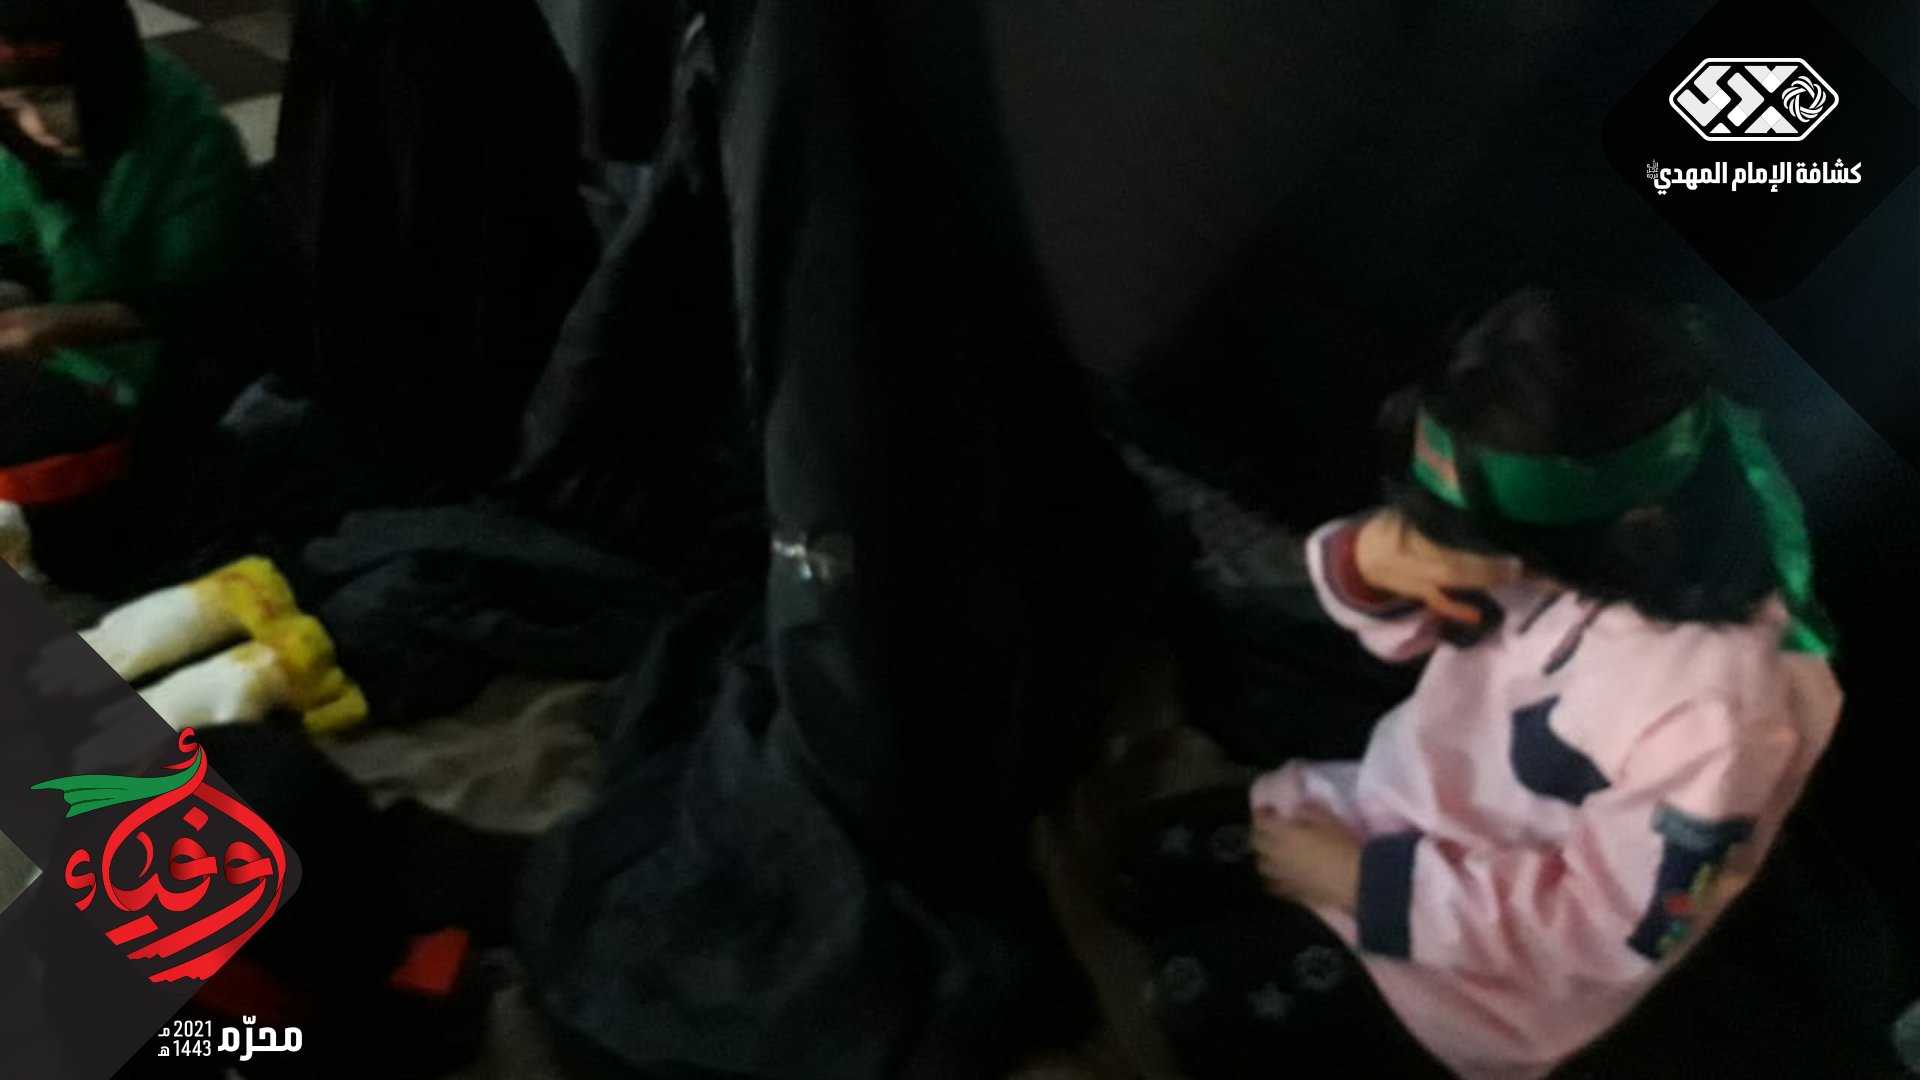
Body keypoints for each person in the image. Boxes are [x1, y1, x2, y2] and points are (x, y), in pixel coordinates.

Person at [1117, 287, 1842, 1078]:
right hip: (1377, 810)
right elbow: (1431, 615)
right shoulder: (1562, 535)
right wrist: (1370, 567)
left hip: (1463, 982)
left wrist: (1367, 886)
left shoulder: (1722, 717)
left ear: (1632, 539)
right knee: (1136, 864)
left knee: (1177, 1000)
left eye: (1490, 550)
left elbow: (1602, 932)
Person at [0, 0, 257, 582]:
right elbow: (14, 240)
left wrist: (62, 323)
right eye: (12, 107)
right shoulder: (16, 141)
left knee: (100, 546)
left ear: (103, 80)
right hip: (73, 359)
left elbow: (212, 302)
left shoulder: (188, 138)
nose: (37, 128)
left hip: (181, 369)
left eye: (51, 98)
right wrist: (11, 294)